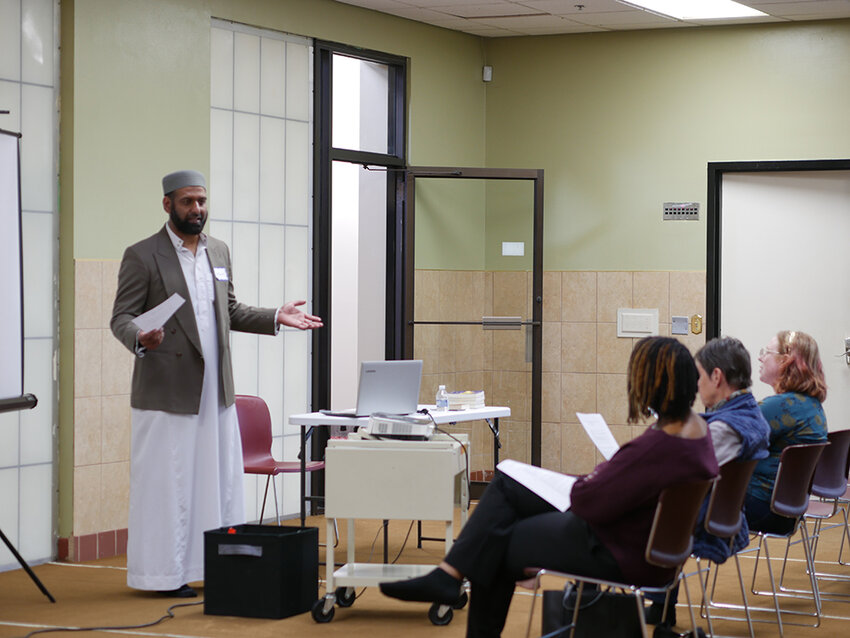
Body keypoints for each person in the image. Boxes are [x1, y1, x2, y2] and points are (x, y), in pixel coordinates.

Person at [379, 336, 719, 638]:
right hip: (643, 545)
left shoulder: (657, 448)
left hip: (616, 549)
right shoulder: (695, 432)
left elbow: (589, 503)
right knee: (508, 486)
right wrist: (603, 477)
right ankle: (448, 575)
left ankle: (450, 577)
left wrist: (598, 477)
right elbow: (622, 487)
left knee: (499, 538)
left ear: (652, 386)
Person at [111, 170, 322, 597]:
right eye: (188, 202)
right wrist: (140, 337)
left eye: (202, 201)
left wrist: (275, 316)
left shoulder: (218, 250)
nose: (198, 210)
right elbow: (121, 318)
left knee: (218, 481)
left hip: (215, 391)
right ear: (168, 204)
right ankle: (162, 576)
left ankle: (217, 567)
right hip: (166, 393)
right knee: (168, 484)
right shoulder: (143, 255)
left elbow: (230, 310)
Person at [645, 336, 770, 626]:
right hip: (715, 513)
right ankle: (658, 603)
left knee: (627, 506)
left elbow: (682, 472)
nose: (696, 385)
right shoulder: (750, 416)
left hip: (702, 519)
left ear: (717, 376)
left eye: (699, 376)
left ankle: (593, 596)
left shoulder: (725, 427)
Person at [745, 330, 827, 535]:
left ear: (786, 361)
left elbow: (724, 442)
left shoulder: (779, 407)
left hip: (760, 508)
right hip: (786, 512)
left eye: (767, 352)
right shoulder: (812, 405)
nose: (760, 357)